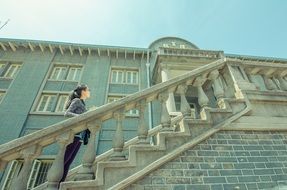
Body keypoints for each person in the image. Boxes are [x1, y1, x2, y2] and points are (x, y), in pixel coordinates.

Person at [60, 84, 91, 183]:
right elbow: (67, 113)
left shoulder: (82, 103)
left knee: (68, 163)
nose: (89, 92)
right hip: (73, 135)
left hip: (79, 136)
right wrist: (82, 117)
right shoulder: (77, 101)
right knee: (64, 161)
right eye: (88, 90)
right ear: (83, 91)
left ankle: (59, 185)